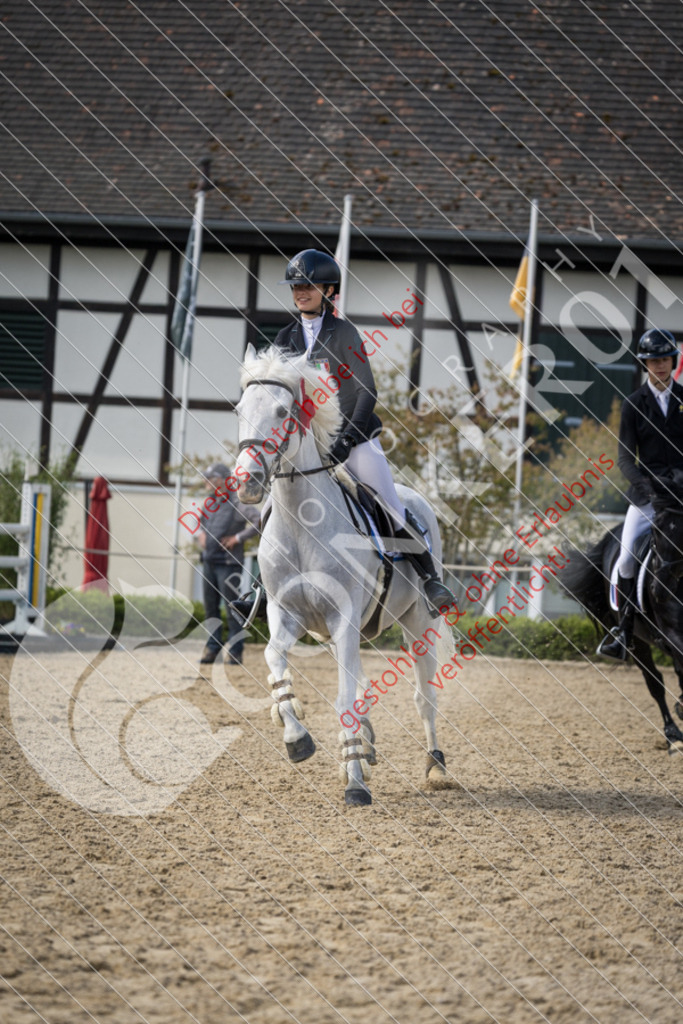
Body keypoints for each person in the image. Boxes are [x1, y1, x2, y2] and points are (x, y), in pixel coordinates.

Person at [232, 248, 456, 621]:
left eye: (308, 284)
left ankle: (429, 579)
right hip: (306, 445)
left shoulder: (344, 333)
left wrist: (346, 441)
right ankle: (260, 587)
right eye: (295, 286)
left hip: (355, 440)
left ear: (328, 289)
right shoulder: (285, 337)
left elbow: (366, 392)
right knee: (274, 509)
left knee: (390, 503)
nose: (300, 291)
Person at [598, 328, 683, 660]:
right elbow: (624, 457)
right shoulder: (633, 405)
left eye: (664, 359)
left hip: (682, 495)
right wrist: (647, 487)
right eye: (653, 361)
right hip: (648, 498)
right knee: (627, 556)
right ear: (645, 364)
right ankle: (623, 630)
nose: (659, 366)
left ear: (673, 362)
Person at [197, 463, 259, 665]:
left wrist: (238, 538)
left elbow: (259, 520)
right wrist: (201, 535)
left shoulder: (238, 502)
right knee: (210, 608)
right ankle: (213, 648)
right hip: (209, 562)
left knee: (233, 607)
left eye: (211, 478)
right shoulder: (210, 503)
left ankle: (236, 650)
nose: (207, 482)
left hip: (229, 564)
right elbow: (200, 525)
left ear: (223, 480)